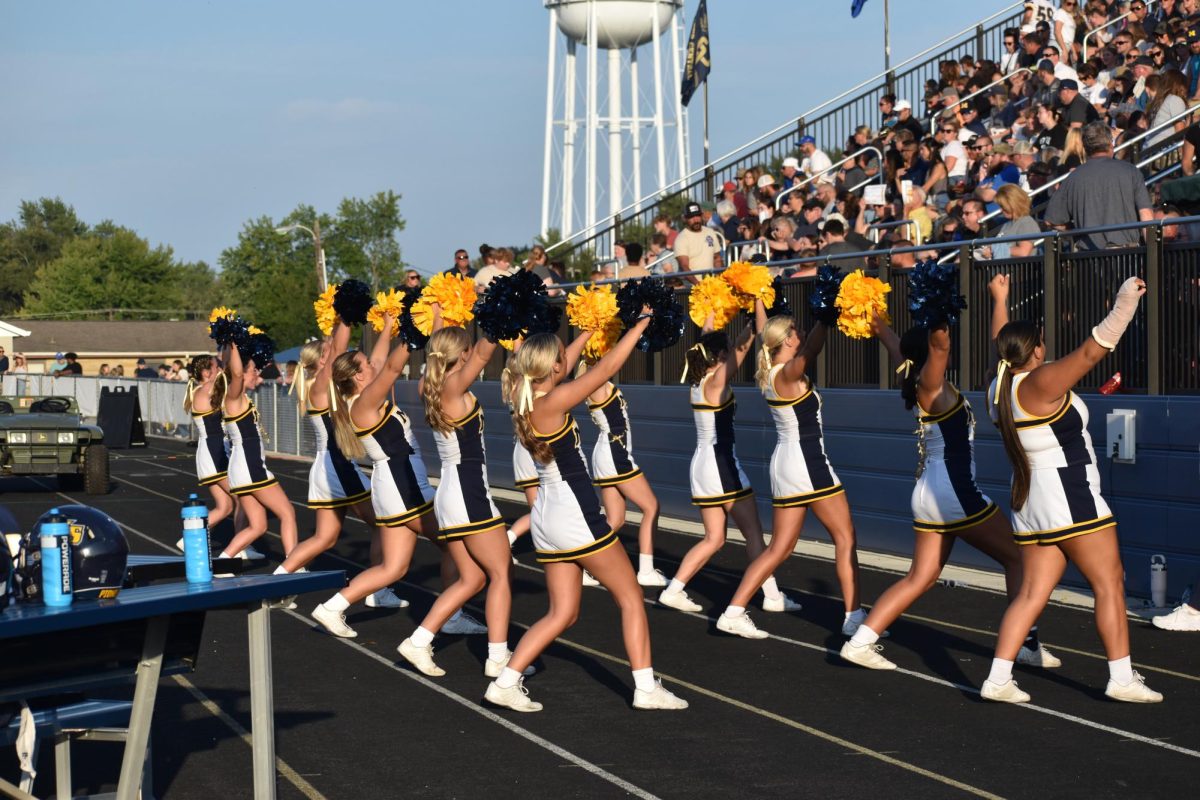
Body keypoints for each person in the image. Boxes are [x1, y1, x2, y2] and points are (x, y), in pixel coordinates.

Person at [841, 286, 1060, 670]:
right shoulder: (932, 385)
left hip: (930, 490)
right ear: (927, 353)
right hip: (953, 491)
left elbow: (896, 344)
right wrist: (938, 311)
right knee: (1018, 559)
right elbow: (939, 347)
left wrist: (877, 323)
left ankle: (861, 641)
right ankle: (1025, 643)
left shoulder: (915, 377)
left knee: (921, 577)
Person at [485, 320, 688, 712]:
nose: (568, 361)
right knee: (630, 598)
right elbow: (606, 369)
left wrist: (589, 332)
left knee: (563, 612)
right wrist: (641, 324)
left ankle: (506, 681)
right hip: (574, 515)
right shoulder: (552, 402)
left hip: (547, 517)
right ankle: (645, 688)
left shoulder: (525, 397)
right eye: (563, 358)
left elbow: (569, 363)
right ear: (554, 367)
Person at [981, 275, 1162, 704]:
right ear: (1037, 350)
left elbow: (1001, 343)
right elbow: (1092, 350)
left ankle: (998, 677)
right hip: (1068, 492)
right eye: (1041, 343)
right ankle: (1120, 677)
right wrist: (1124, 303)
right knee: (1109, 582)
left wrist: (1000, 300)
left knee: (1030, 594)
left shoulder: (997, 385)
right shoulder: (1040, 383)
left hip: (1028, 500)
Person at [320, 317, 489, 656]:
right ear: (357, 376)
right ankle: (449, 615)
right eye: (366, 365)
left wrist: (433, 322)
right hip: (402, 484)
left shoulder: (364, 398)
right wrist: (411, 338)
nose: (373, 365)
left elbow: (391, 365)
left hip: (394, 483)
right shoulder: (365, 403)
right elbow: (392, 368)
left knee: (394, 567)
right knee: (453, 543)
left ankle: (331, 606)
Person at [715, 299, 866, 640]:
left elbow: (772, 332)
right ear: (787, 340)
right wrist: (824, 319)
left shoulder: (770, 371)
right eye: (795, 331)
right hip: (808, 464)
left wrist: (757, 300)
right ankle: (854, 614)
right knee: (845, 537)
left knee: (780, 548)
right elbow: (811, 350)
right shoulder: (785, 373)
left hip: (786, 465)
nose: (800, 333)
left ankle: (734, 611)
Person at [658, 315, 800, 617]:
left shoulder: (699, 381)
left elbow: (711, 338)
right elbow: (739, 350)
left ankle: (674, 589)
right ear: (719, 356)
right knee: (752, 533)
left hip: (702, 464)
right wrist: (752, 325)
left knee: (715, 538)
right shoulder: (716, 381)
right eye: (725, 352)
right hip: (721, 465)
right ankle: (772, 596)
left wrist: (711, 315)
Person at [414, 319, 529, 677]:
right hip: (466, 490)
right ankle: (497, 658)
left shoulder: (430, 384)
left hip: (454, 490)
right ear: (460, 354)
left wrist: (437, 320)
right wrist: (502, 313)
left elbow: (450, 352)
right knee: (500, 571)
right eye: (467, 351)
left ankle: (419, 641)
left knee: (472, 580)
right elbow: (483, 352)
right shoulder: (451, 386)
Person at [278, 328, 407, 615]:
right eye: (327, 354)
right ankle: (378, 589)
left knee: (325, 538)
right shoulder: (319, 387)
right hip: (337, 466)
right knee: (382, 524)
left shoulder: (328, 387)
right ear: (321, 360)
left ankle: (276, 582)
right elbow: (341, 352)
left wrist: (387, 327)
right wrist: (343, 318)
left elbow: (373, 364)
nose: (333, 355)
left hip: (331, 466)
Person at [580, 360, 668, 588]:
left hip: (610, 452)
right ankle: (646, 570)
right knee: (651, 506)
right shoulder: (596, 381)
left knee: (615, 520)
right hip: (614, 453)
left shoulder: (599, 380)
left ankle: (581, 562)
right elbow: (611, 363)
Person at [218, 340, 299, 561]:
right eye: (253, 370)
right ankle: (293, 566)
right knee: (287, 512)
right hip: (250, 467)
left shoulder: (240, 397)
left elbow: (234, 369)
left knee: (259, 526)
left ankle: (223, 562)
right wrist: (234, 342)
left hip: (244, 467)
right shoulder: (233, 397)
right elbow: (234, 371)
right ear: (241, 374)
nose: (257, 374)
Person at [1044, 121, 1153, 249]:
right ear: (1110, 144)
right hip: (1126, 256)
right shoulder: (1131, 171)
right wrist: (1153, 256)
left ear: (1085, 148)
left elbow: (1050, 221)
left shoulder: (1073, 178)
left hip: (1089, 257)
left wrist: (1075, 230)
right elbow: (1146, 216)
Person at [182, 354, 239, 552]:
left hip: (210, 451)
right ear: (207, 372)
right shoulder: (206, 389)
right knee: (243, 498)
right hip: (214, 452)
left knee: (225, 507)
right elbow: (234, 379)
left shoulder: (201, 389)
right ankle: (239, 546)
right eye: (217, 367)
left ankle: (189, 537)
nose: (221, 370)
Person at [673, 202, 724, 276]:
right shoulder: (681, 239)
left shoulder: (710, 232)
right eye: (691, 217)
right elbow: (684, 267)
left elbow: (717, 259)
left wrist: (721, 279)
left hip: (712, 284)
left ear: (702, 216)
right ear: (685, 219)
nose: (696, 220)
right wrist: (699, 285)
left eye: (698, 216)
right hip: (692, 285)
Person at [991, 184, 1041, 259]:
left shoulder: (1026, 222)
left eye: (1003, 207)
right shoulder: (1007, 224)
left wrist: (993, 250)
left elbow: (1024, 251)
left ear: (1013, 204)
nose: (1001, 210)